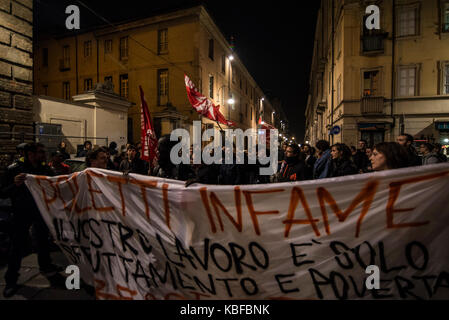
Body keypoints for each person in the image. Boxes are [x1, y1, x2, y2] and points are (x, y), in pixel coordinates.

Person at [0, 143, 60, 298]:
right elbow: (2, 193)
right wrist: (15, 184)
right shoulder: (14, 169)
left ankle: (45, 265)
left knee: (42, 240)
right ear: (30, 154)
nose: (43, 155)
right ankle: (11, 281)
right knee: (17, 246)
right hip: (21, 213)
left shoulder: (44, 168)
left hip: (40, 212)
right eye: (40, 152)